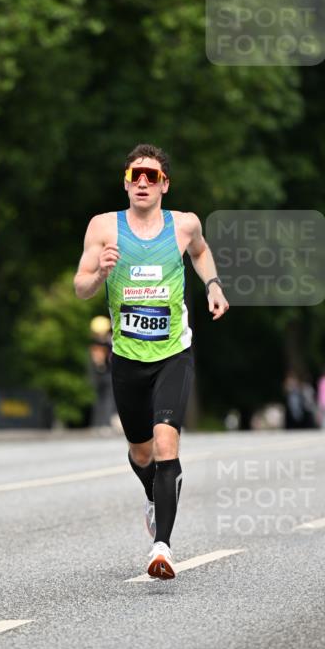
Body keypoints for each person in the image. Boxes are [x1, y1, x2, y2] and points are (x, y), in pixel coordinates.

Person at [74, 144, 229, 579]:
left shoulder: (184, 225)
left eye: (152, 176)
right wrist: (101, 273)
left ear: (164, 184)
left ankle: (161, 546)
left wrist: (212, 283)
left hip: (172, 356)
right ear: (125, 181)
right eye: (135, 174)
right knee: (141, 452)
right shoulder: (104, 228)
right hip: (126, 358)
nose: (143, 182)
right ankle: (153, 498)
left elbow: (200, 251)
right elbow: (80, 287)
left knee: (165, 445)